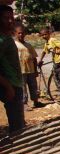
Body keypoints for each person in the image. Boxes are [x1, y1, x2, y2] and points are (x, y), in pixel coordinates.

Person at [0, 4, 24, 132]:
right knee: (17, 126)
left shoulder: (7, 37)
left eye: (11, 18)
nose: (10, 21)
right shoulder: (2, 40)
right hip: (11, 85)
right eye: (5, 18)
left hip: (16, 83)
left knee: (19, 121)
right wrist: (8, 87)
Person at [14, 23, 42, 109]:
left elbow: (34, 58)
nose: (21, 35)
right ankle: (24, 103)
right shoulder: (14, 45)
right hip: (20, 70)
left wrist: (36, 70)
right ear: (15, 33)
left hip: (31, 69)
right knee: (23, 88)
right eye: (19, 33)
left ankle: (36, 101)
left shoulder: (28, 45)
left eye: (22, 33)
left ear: (25, 34)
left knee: (33, 86)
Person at [38, 27, 60, 100]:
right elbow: (44, 51)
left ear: (49, 34)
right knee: (56, 76)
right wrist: (40, 60)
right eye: (42, 35)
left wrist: (59, 51)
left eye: (45, 34)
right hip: (55, 61)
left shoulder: (52, 40)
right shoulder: (47, 43)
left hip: (58, 61)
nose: (44, 36)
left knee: (57, 77)